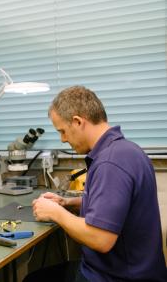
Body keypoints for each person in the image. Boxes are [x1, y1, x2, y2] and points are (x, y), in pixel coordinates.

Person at [25, 86, 167, 282]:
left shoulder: (110, 162)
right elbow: (114, 208)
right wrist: (67, 203)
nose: (63, 139)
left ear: (77, 122)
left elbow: (101, 239)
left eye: (63, 131)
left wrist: (55, 213)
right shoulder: (125, 150)